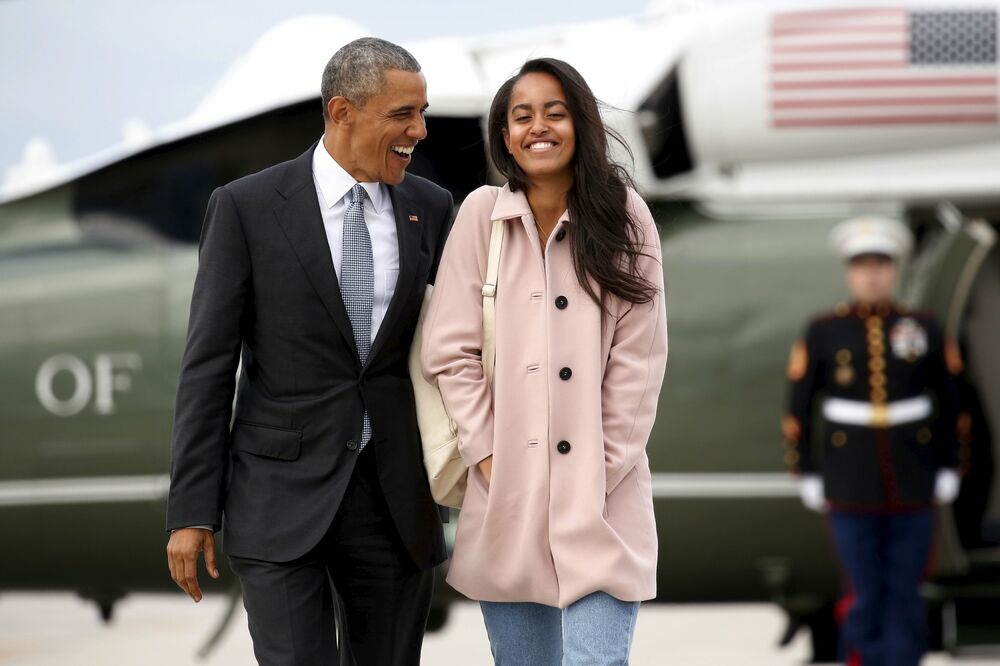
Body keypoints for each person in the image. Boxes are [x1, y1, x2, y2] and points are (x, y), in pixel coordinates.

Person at [165, 37, 452, 666]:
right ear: (342, 112)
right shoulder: (245, 208)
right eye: (402, 114)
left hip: (395, 504)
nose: (419, 131)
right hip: (279, 501)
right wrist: (191, 512)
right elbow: (208, 368)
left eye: (422, 112)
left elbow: (454, 346)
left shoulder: (430, 208)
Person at [422, 58, 668, 665]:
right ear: (504, 136)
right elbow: (449, 349)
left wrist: (603, 467)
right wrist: (483, 453)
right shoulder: (481, 215)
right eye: (522, 116)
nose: (539, 127)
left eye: (555, 113)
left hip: (605, 501)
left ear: (580, 124)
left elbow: (641, 358)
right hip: (505, 495)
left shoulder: (625, 214)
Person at [782, 215, 964, 666]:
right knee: (863, 590)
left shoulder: (922, 327)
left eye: (881, 263)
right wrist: (805, 469)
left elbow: (955, 401)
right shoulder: (825, 330)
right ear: (849, 272)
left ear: (894, 269)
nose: (872, 273)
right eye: (862, 264)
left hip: (913, 478)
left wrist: (950, 464)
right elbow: (798, 407)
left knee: (905, 590)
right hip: (849, 483)